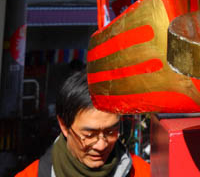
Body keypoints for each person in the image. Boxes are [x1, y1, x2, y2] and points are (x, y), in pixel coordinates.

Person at [15, 70, 149, 176]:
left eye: (110, 132)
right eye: (89, 135)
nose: (101, 146)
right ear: (64, 126)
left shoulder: (143, 172)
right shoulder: (33, 174)